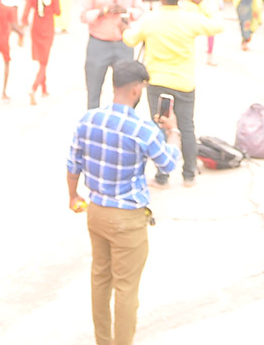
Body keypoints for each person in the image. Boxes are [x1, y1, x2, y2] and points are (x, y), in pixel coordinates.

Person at [67, 59, 181, 345]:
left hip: (96, 212)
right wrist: (173, 132)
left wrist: (73, 195)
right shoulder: (142, 129)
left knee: (100, 279)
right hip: (127, 218)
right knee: (126, 289)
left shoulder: (88, 119)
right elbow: (167, 163)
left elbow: (73, 163)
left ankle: (102, 340)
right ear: (136, 89)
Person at [123, 0, 223, 187]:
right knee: (186, 127)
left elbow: (130, 39)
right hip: (184, 82)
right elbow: (217, 26)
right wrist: (201, 4)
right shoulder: (189, 18)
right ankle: (188, 175)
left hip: (158, 82)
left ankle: (162, 176)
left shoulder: (151, 19)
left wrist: (125, 27)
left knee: (160, 127)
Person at [78, 0, 144, 109]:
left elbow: (140, 10)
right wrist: (102, 12)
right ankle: (94, 124)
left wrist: (125, 10)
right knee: (94, 90)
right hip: (98, 43)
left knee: (127, 90)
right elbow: (83, 15)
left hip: (123, 43)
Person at [21, 0, 60, 104]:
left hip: (36, 28)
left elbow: (25, 14)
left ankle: (44, 88)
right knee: (44, 61)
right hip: (48, 28)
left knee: (41, 60)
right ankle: (34, 88)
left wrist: (22, 29)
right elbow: (58, 12)